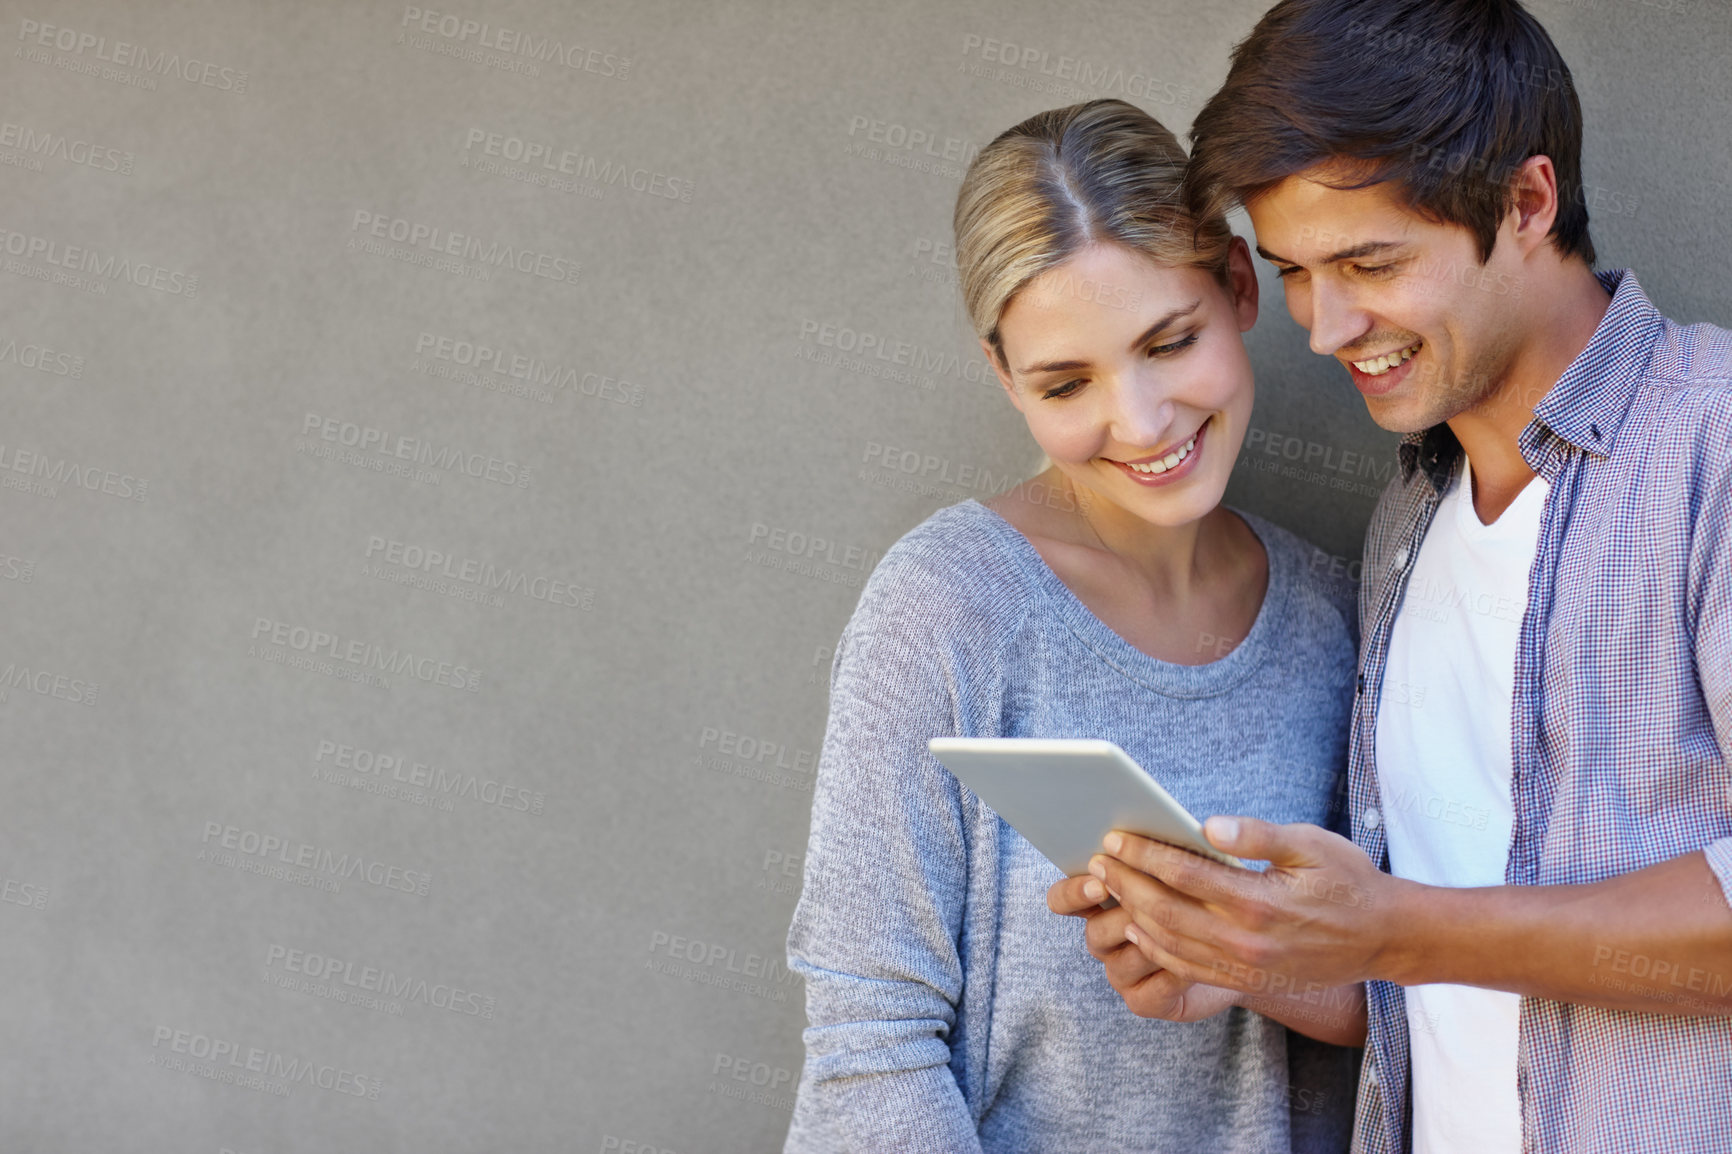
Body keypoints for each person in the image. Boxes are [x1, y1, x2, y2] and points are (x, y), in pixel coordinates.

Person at [1049, 3, 1732, 1153]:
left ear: (1525, 204)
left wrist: (1396, 928)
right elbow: (1456, 974)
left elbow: (1424, 931)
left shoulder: (1710, 449)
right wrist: (1250, 953)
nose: (1325, 326)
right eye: (1296, 273)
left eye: (1368, 262)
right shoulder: (1408, 522)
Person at [782, 98, 1366, 1154]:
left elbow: (1428, 1001)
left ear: (1238, 287)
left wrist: (1250, 957)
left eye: (1168, 341)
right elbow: (870, 1046)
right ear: (1004, 377)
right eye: (1066, 381)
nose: (1139, 423)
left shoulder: (1342, 616)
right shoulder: (947, 608)